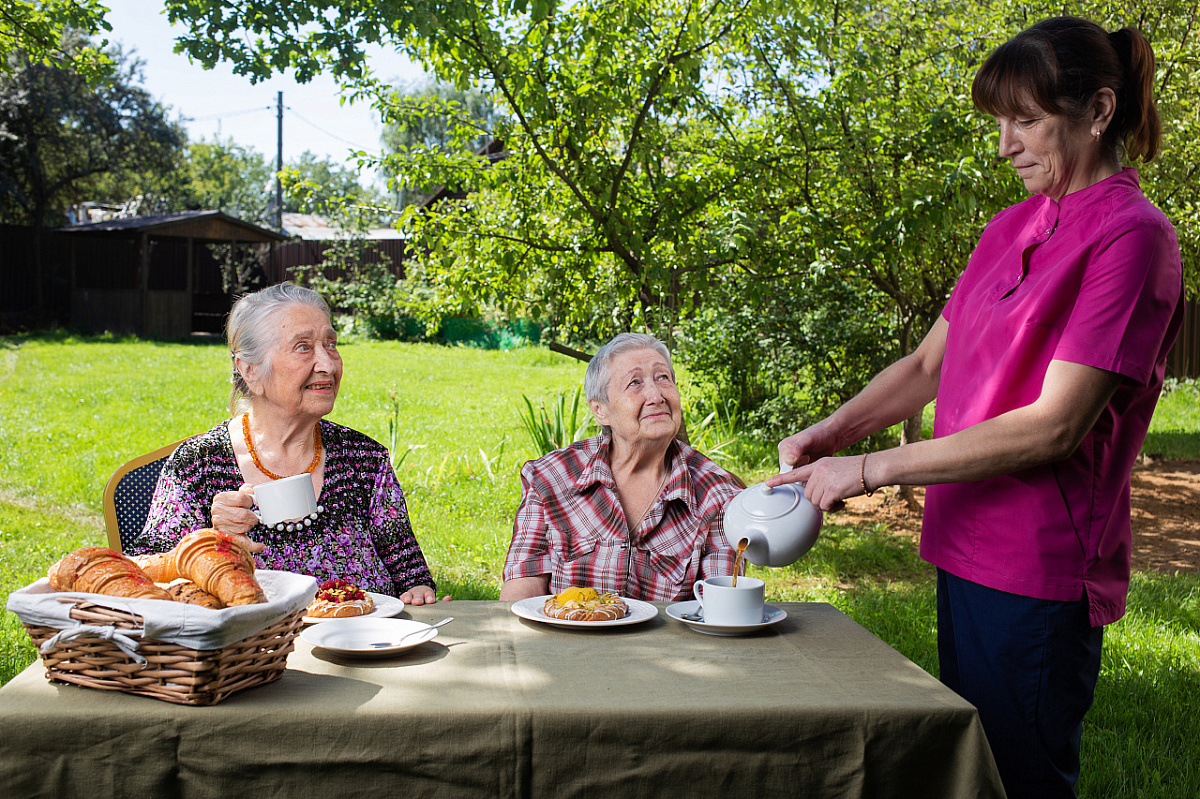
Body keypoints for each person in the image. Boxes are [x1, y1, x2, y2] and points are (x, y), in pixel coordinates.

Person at [766, 16, 1182, 799]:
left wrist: (869, 469)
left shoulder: (1134, 238)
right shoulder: (1011, 225)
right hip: (960, 547)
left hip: (1037, 570)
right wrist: (831, 433)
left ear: (1099, 110)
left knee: (1017, 783)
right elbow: (930, 363)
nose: (1003, 145)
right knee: (967, 777)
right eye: (999, 122)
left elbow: (1056, 426)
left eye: (1025, 120)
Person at [129, 283, 447, 605]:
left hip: (366, 634)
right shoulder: (199, 465)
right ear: (250, 370)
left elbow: (411, 576)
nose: (328, 364)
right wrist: (211, 542)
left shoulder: (364, 461)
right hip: (255, 639)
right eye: (303, 347)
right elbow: (141, 577)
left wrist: (419, 594)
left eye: (331, 344)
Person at [500, 333, 743, 602]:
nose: (656, 396)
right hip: (566, 630)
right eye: (634, 383)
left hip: (669, 633)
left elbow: (723, 608)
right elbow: (521, 592)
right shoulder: (550, 477)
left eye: (663, 378)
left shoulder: (717, 494)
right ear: (600, 410)